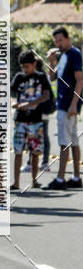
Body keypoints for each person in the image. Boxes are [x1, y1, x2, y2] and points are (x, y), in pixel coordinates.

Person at [45, 26, 83, 190]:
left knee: (64, 142)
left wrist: (74, 104)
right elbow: (53, 77)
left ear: (68, 39)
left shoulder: (74, 53)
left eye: (60, 40)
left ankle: (61, 179)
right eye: (56, 41)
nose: (58, 44)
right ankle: (76, 177)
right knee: (73, 141)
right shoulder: (63, 56)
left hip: (68, 104)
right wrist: (51, 61)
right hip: (63, 103)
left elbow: (80, 80)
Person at [10, 50, 51, 191]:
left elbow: (46, 95)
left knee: (35, 152)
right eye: (23, 67)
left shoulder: (41, 77)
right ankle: (16, 182)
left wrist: (29, 104)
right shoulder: (19, 77)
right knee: (18, 151)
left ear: (34, 64)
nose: (25, 69)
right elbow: (10, 91)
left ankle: (34, 181)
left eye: (27, 66)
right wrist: (14, 103)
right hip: (20, 119)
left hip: (36, 120)